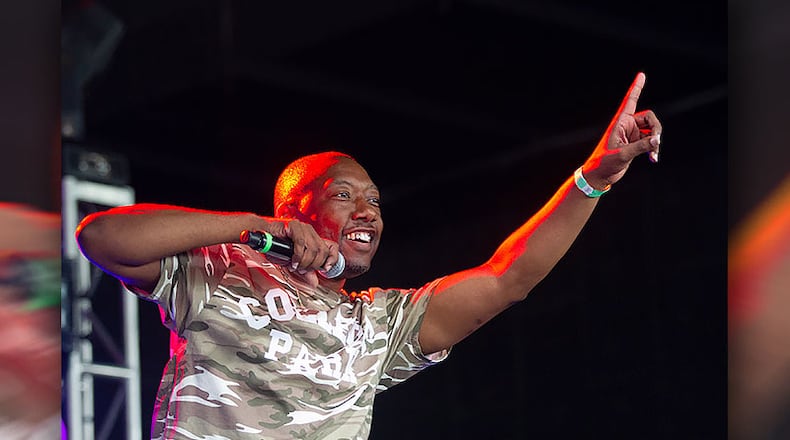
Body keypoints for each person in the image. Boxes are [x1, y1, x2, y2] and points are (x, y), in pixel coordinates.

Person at [75, 72, 662, 440]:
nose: (368, 211)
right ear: (295, 209)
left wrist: (596, 176)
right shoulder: (220, 268)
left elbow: (508, 278)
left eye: (375, 201)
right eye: (344, 195)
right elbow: (99, 238)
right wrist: (251, 227)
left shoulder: (379, 324)